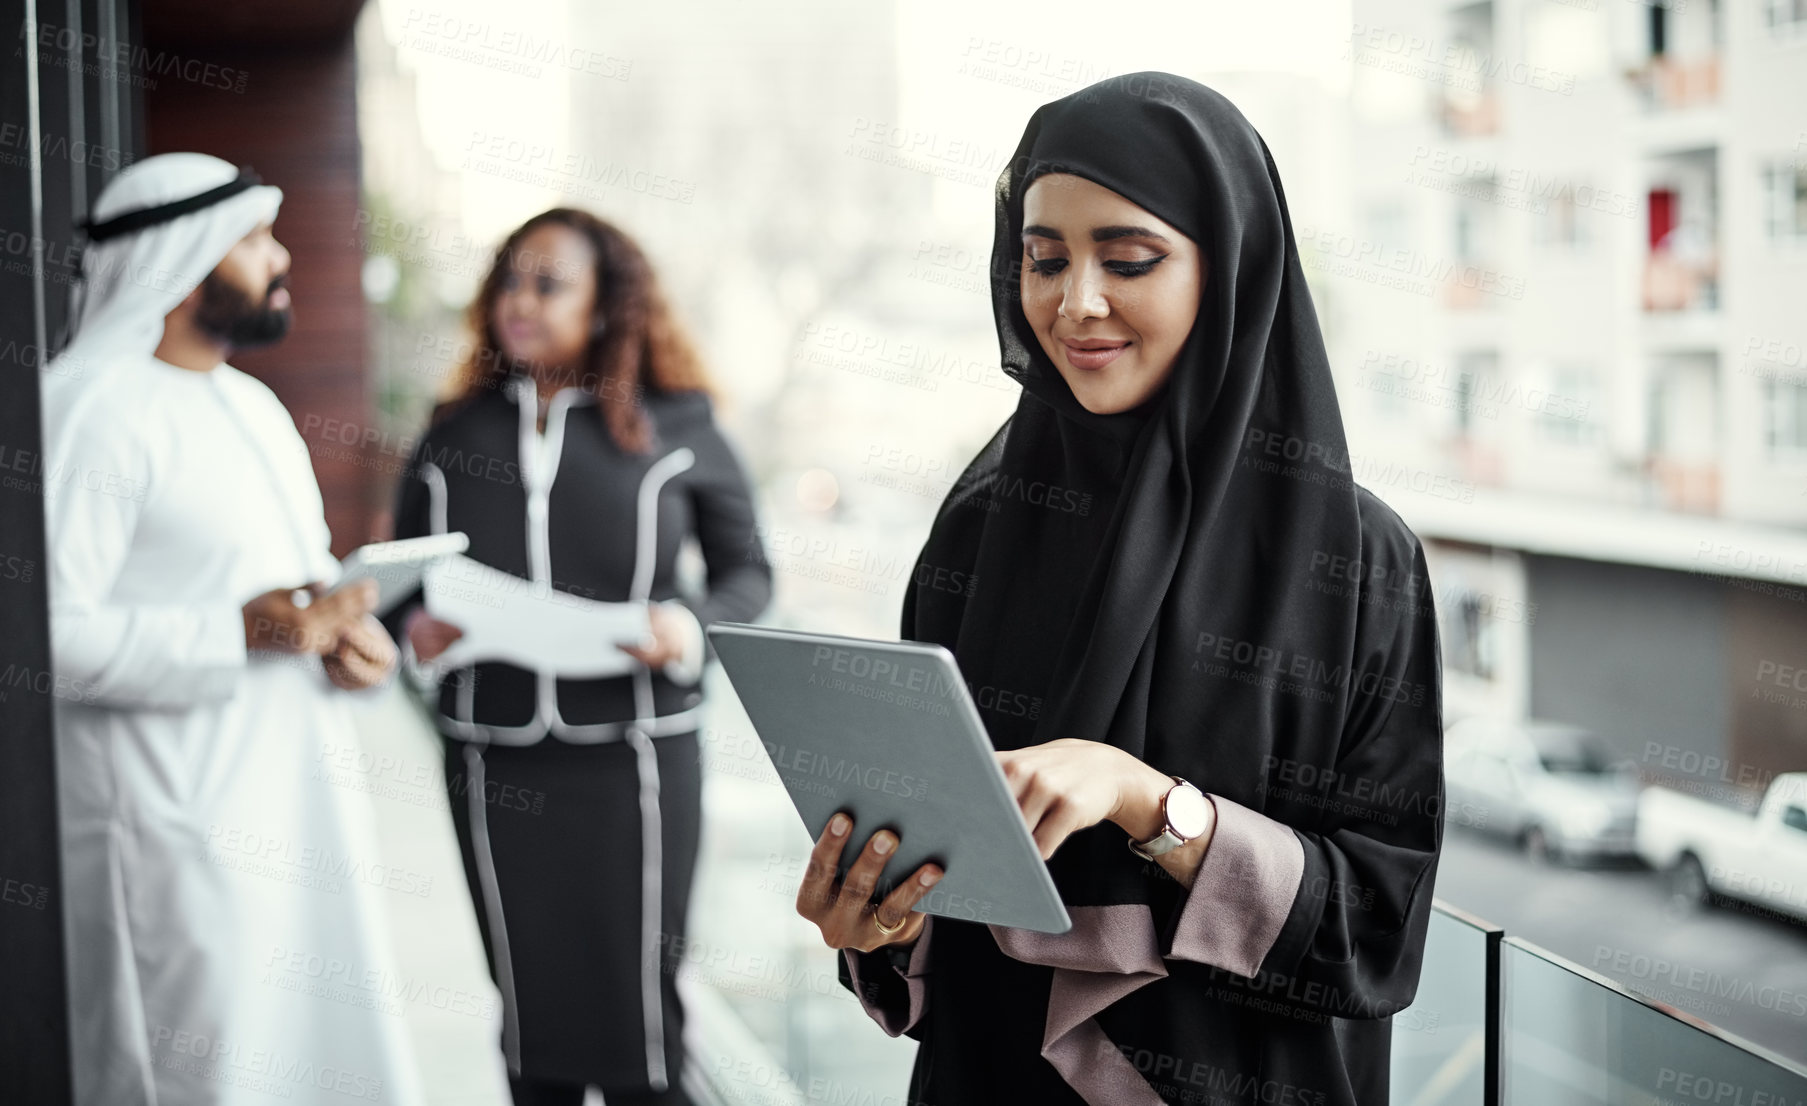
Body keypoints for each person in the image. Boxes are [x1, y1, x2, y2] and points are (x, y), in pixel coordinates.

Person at [802, 73, 1445, 1106]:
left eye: (1129, 258)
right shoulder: (981, 527)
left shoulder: (1357, 563)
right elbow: (936, 865)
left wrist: (1145, 798)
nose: (1075, 301)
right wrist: (879, 920)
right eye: (1042, 258)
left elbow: (1374, 927)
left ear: (1229, 268)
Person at [41, 153, 433, 1105]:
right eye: (255, 239)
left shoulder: (251, 407)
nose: (280, 255)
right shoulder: (87, 407)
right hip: (172, 832)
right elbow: (42, 636)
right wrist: (236, 636)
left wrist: (350, 649)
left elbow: (293, 606)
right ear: (185, 258)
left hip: (298, 815)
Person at [384, 208, 774, 1106]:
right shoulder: (454, 431)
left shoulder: (679, 425)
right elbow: (404, 574)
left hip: (634, 761)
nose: (518, 302)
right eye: (507, 282)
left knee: (641, 1015)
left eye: (546, 283)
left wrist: (689, 626)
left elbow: (747, 573)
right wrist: (416, 634)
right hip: (489, 754)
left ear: (607, 303)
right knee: (526, 1007)